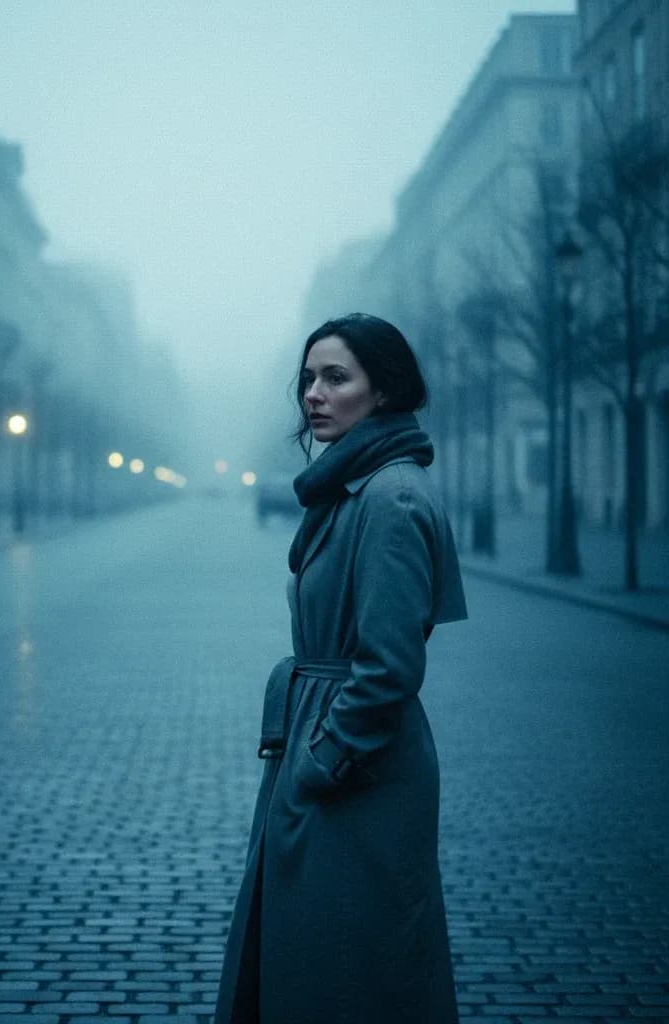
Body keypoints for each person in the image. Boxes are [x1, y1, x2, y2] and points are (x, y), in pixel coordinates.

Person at [215, 313, 467, 1024]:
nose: (314, 395)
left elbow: (389, 667)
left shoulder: (390, 497)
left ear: (382, 391)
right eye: (308, 379)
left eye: (336, 377)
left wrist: (321, 760)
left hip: (359, 763)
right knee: (320, 956)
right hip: (328, 744)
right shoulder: (354, 485)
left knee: (355, 966)